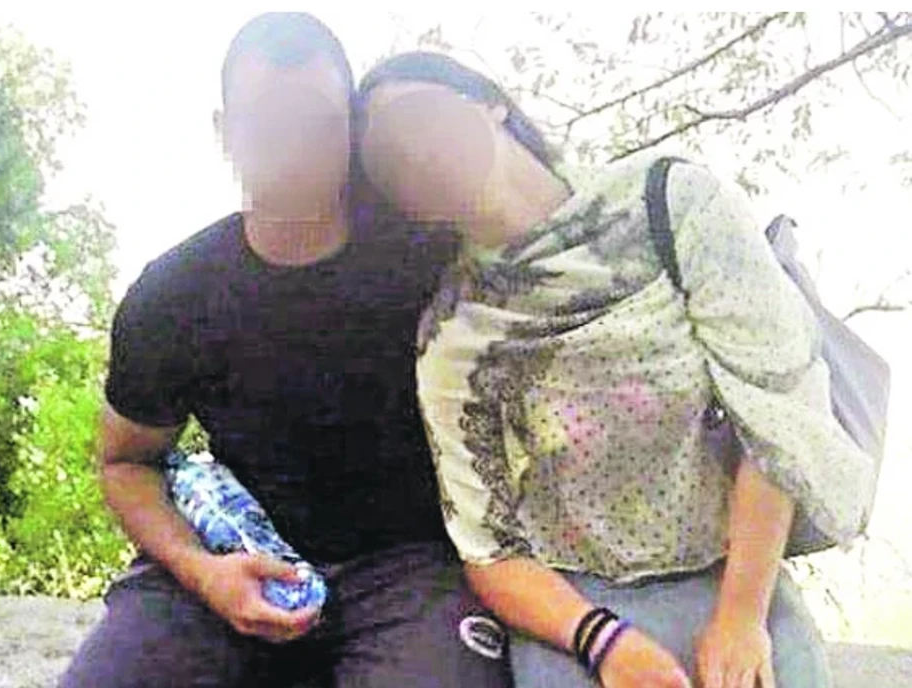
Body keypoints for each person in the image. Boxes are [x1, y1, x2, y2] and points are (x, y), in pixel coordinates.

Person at [356, 51, 876, 688]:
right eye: (390, 157)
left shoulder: (669, 204)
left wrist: (741, 617)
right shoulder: (453, 334)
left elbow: (777, 410)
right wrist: (606, 644)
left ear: (489, 102)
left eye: (420, 115)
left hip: (737, 573)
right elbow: (487, 547)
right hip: (575, 610)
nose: (416, 148)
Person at [60, 18, 513, 688]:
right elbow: (127, 461)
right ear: (225, 133)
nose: (293, 152)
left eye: (316, 124)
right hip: (234, 550)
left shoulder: (431, 259)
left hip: (412, 568)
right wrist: (204, 573)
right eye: (266, 127)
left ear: (351, 129)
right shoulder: (176, 294)